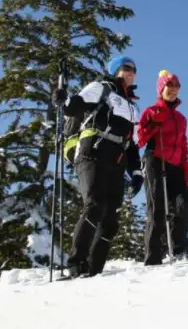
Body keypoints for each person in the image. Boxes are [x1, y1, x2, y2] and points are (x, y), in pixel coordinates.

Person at [56, 55, 143, 279]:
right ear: (115, 70)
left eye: (133, 69)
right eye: (126, 68)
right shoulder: (101, 88)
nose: (131, 72)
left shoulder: (133, 106)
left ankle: (94, 269)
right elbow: (74, 106)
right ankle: (76, 263)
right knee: (94, 205)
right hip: (92, 152)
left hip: (117, 159)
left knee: (111, 217)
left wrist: (135, 171)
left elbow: (131, 143)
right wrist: (63, 99)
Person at [136, 70, 188, 265]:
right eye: (170, 86)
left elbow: (184, 148)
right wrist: (153, 125)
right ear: (161, 88)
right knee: (157, 208)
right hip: (155, 160)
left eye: (177, 87)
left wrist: (185, 172)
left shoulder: (181, 119)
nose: (174, 90)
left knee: (184, 204)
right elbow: (139, 139)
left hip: (175, 166)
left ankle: (177, 251)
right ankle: (152, 257)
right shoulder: (151, 112)